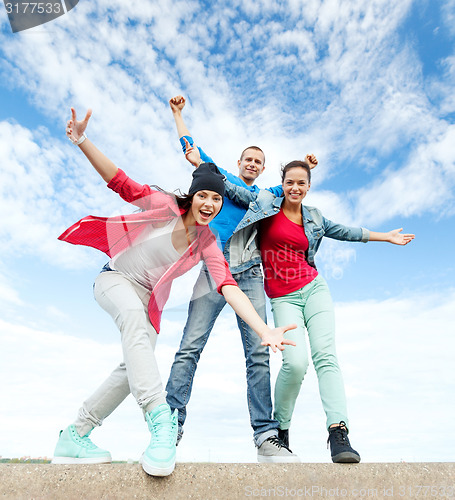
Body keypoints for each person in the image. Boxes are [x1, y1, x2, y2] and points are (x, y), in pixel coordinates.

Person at [51, 108, 296, 476]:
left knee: (134, 364)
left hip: (146, 301)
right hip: (114, 280)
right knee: (135, 328)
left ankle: (75, 434)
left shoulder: (209, 242)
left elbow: (228, 286)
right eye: (204, 197)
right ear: (193, 196)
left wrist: (263, 330)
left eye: (216, 199)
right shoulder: (163, 204)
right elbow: (121, 182)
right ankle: (161, 422)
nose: (210, 204)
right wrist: (82, 140)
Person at [187, 145, 415, 463]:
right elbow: (231, 188)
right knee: (295, 363)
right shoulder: (264, 203)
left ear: (308, 187)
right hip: (282, 295)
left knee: (326, 358)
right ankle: (279, 432)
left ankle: (339, 432)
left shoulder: (315, 217)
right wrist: (202, 164)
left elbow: (345, 231)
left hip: (314, 288)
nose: (295, 188)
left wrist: (383, 236)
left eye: (302, 183)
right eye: (290, 182)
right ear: (282, 184)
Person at [166, 96, 317, 462]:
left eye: (258, 162)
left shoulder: (268, 196)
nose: (252, 164)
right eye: (248, 159)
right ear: (239, 163)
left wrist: (309, 166)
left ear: (262, 169)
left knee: (259, 353)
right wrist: (178, 115)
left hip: (250, 275)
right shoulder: (221, 179)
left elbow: (295, 186)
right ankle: (170, 423)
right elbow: (191, 150)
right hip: (213, 269)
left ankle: (266, 436)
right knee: (190, 346)